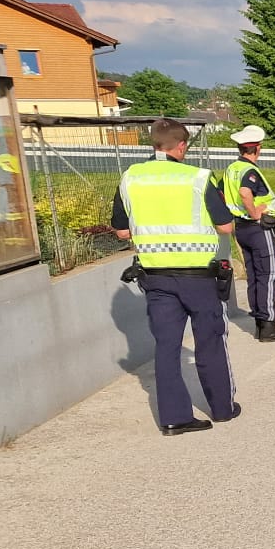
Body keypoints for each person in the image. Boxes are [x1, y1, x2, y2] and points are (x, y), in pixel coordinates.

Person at [111, 118, 241, 435]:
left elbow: (121, 230)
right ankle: (223, 408)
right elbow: (225, 226)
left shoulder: (131, 179)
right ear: (181, 145)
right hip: (199, 276)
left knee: (166, 346)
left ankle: (174, 418)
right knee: (209, 339)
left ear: (154, 144)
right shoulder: (197, 178)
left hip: (155, 277)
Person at [221, 126, 275, 342]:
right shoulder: (249, 171)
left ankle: (259, 322)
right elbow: (246, 193)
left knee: (254, 275)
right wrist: (255, 213)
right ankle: (269, 326)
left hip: (241, 229)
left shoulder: (231, 168)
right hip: (259, 228)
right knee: (269, 275)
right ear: (258, 149)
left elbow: (223, 193)